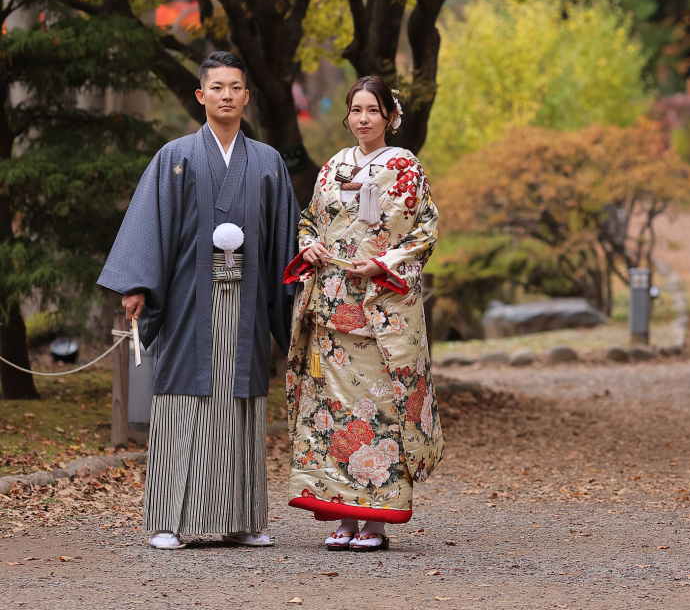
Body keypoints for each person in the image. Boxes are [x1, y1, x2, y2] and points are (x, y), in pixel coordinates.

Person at [98, 51, 300, 550]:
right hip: (189, 300)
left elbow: (285, 239)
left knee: (241, 402)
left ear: (246, 96)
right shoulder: (175, 157)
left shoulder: (268, 162)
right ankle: (168, 520)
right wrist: (137, 284)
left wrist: (299, 294)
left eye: (235, 87)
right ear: (200, 95)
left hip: (248, 302)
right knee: (181, 400)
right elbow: (151, 225)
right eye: (217, 87)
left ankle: (243, 519)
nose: (226, 95)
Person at [283, 75, 444, 552]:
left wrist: (385, 263)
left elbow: (425, 230)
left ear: (389, 116)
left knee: (379, 410)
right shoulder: (333, 166)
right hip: (332, 306)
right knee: (332, 410)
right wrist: (309, 246)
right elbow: (309, 220)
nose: (363, 118)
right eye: (356, 110)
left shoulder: (405, 166)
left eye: (373, 110)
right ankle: (342, 514)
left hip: (378, 308)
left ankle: (375, 521)